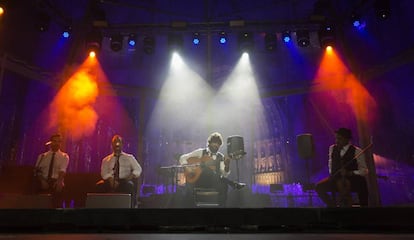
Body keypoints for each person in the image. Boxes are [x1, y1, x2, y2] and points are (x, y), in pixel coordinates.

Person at [179, 132, 245, 207]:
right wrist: (188, 168)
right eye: (214, 143)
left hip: (213, 183)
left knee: (222, 182)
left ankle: (222, 206)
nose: (216, 145)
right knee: (207, 170)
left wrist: (227, 166)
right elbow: (182, 158)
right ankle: (233, 184)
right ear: (209, 143)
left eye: (218, 144)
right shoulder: (201, 152)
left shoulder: (221, 156)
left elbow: (224, 174)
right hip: (200, 181)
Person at [315, 128, 369, 207]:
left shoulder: (357, 151)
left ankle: (364, 210)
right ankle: (332, 206)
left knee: (362, 184)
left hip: (351, 179)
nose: (336, 141)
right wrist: (332, 173)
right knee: (319, 187)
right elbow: (330, 162)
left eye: (339, 139)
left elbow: (365, 171)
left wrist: (351, 173)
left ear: (347, 139)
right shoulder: (332, 148)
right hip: (336, 177)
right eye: (336, 138)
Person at [96, 135, 142, 208]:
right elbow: (103, 173)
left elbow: (138, 169)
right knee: (99, 186)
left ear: (122, 144)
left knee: (129, 186)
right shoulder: (106, 160)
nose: (117, 144)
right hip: (110, 180)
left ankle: (132, 208)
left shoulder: (129, 158)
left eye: (119, 142)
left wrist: (131, 176)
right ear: (112, 145)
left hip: (124, 181)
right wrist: (110, 179)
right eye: (115, 142)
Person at [33, 134, 69, 207]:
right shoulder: (42, 156)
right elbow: (37, 170)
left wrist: (59, 181)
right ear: (51, 142)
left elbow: (62, 170)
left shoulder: (64, 156)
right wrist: (42, 181)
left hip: (55, 181)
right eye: (55, 141)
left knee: (60, 189)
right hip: (43, 180)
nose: (57, 143)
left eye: (59, 142)